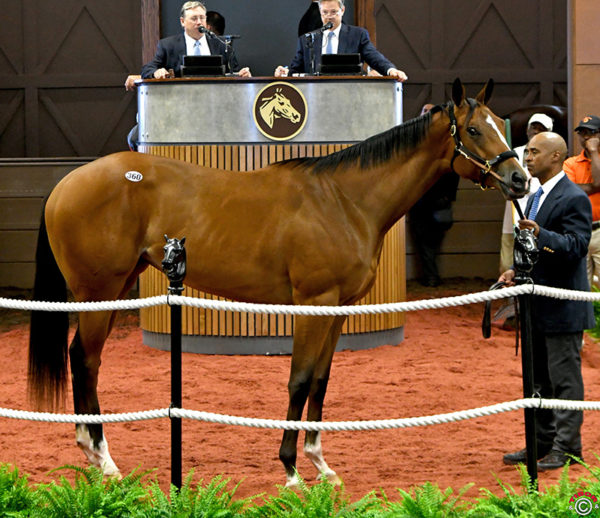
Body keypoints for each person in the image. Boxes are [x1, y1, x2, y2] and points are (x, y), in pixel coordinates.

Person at [500, 132, 593, 471]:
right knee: (536, 380)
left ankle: (568, 447)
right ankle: (539, 442)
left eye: (535, 152)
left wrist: (542, 235)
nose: (528, 157)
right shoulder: (534, 196)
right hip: (535, 307)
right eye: (528, 152)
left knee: (564, 381)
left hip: (563, 308)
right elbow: (532, 248)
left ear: (555, 157)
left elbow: (576, 247)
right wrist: (514, 271)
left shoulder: (573, 197)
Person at [274, 0, 407, 81]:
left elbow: (374, 57)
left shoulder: (357, 35)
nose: (329, 17)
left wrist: (390, 70)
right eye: (325, 13)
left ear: (342, 10)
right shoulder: (307, 39)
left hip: (348, 94)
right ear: (320, 12)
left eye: (333, 12)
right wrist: (285, 73)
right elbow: (296, 69)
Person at [408, 104, 460, 287]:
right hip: (423, 202)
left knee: (428, 243)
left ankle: (431, 276)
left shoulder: (439, 142)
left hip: (434, 202)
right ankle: (431, 276)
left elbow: (453, 171)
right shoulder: (417, 141)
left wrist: (448, 197)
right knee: (426, 243)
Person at [141, 1, 251, 79]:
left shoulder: (221, 43)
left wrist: (242, 74)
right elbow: (147, 69)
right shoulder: (168, 45)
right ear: (182, 21)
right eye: (194, 18)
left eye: (202, 18)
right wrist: (156, 72)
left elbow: (234, 73)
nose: (199, 22)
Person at [499, 114, 552, 273]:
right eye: (533, 127)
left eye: (541, 129)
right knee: (508, 257)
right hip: (513, 214)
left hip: (538, 216)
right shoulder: (515, 153)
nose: (535, 131)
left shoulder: (550, 159)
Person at [564, 114, 600, 289]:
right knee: (580, 289)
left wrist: (594, 152)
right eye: (582, 133)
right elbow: (570, 192)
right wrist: (594, 187)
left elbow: (598, 182)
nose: (586, 137)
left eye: (591, 132)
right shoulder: (570, 163)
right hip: (580, 231)